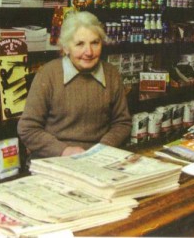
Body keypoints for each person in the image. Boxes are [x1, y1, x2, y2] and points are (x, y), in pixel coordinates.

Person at [18, 10, 131, 159]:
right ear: (66, 48)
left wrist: (103, 148)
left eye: (95, 43)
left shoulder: (111, 74)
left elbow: (122, 123)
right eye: (79, 44)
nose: (88, 52)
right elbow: (28, 128)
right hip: (56, 159)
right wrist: (64, 150)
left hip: (100, 158)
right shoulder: (48, 74)